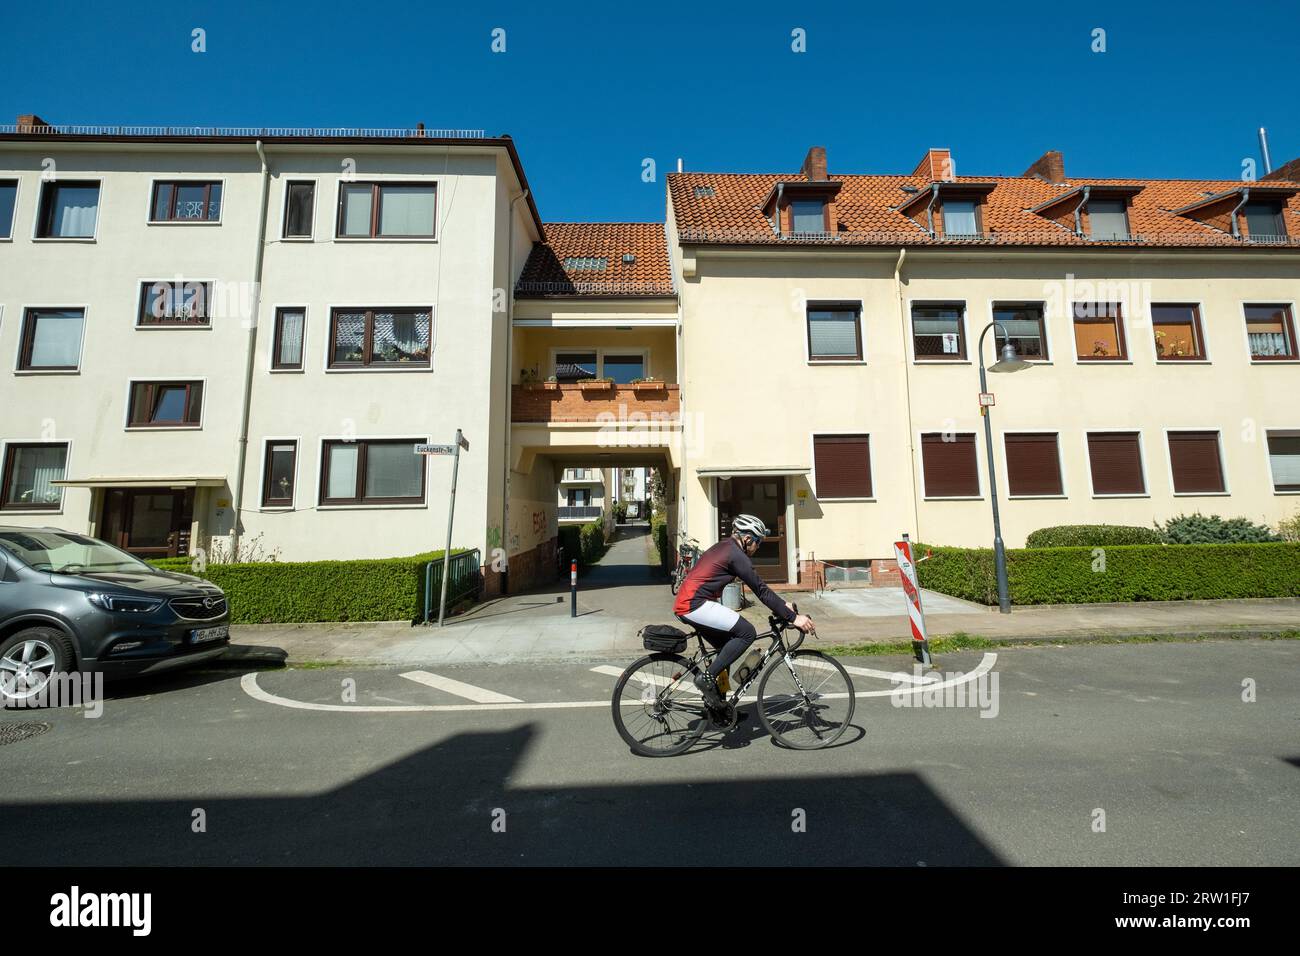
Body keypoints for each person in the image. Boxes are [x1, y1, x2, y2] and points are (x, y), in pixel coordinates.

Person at [672, 514, 813, 707]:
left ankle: (719, 707)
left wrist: (783, 606)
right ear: (747, 539)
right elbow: (761, 590)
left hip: (690, 603)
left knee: (727, 648)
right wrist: (793, 617)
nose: (758, 547)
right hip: (694, 604)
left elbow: (761, 588)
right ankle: (706, 679)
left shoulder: (725, 547)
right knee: (747, 633)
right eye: (758, 543)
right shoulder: (735, 555)